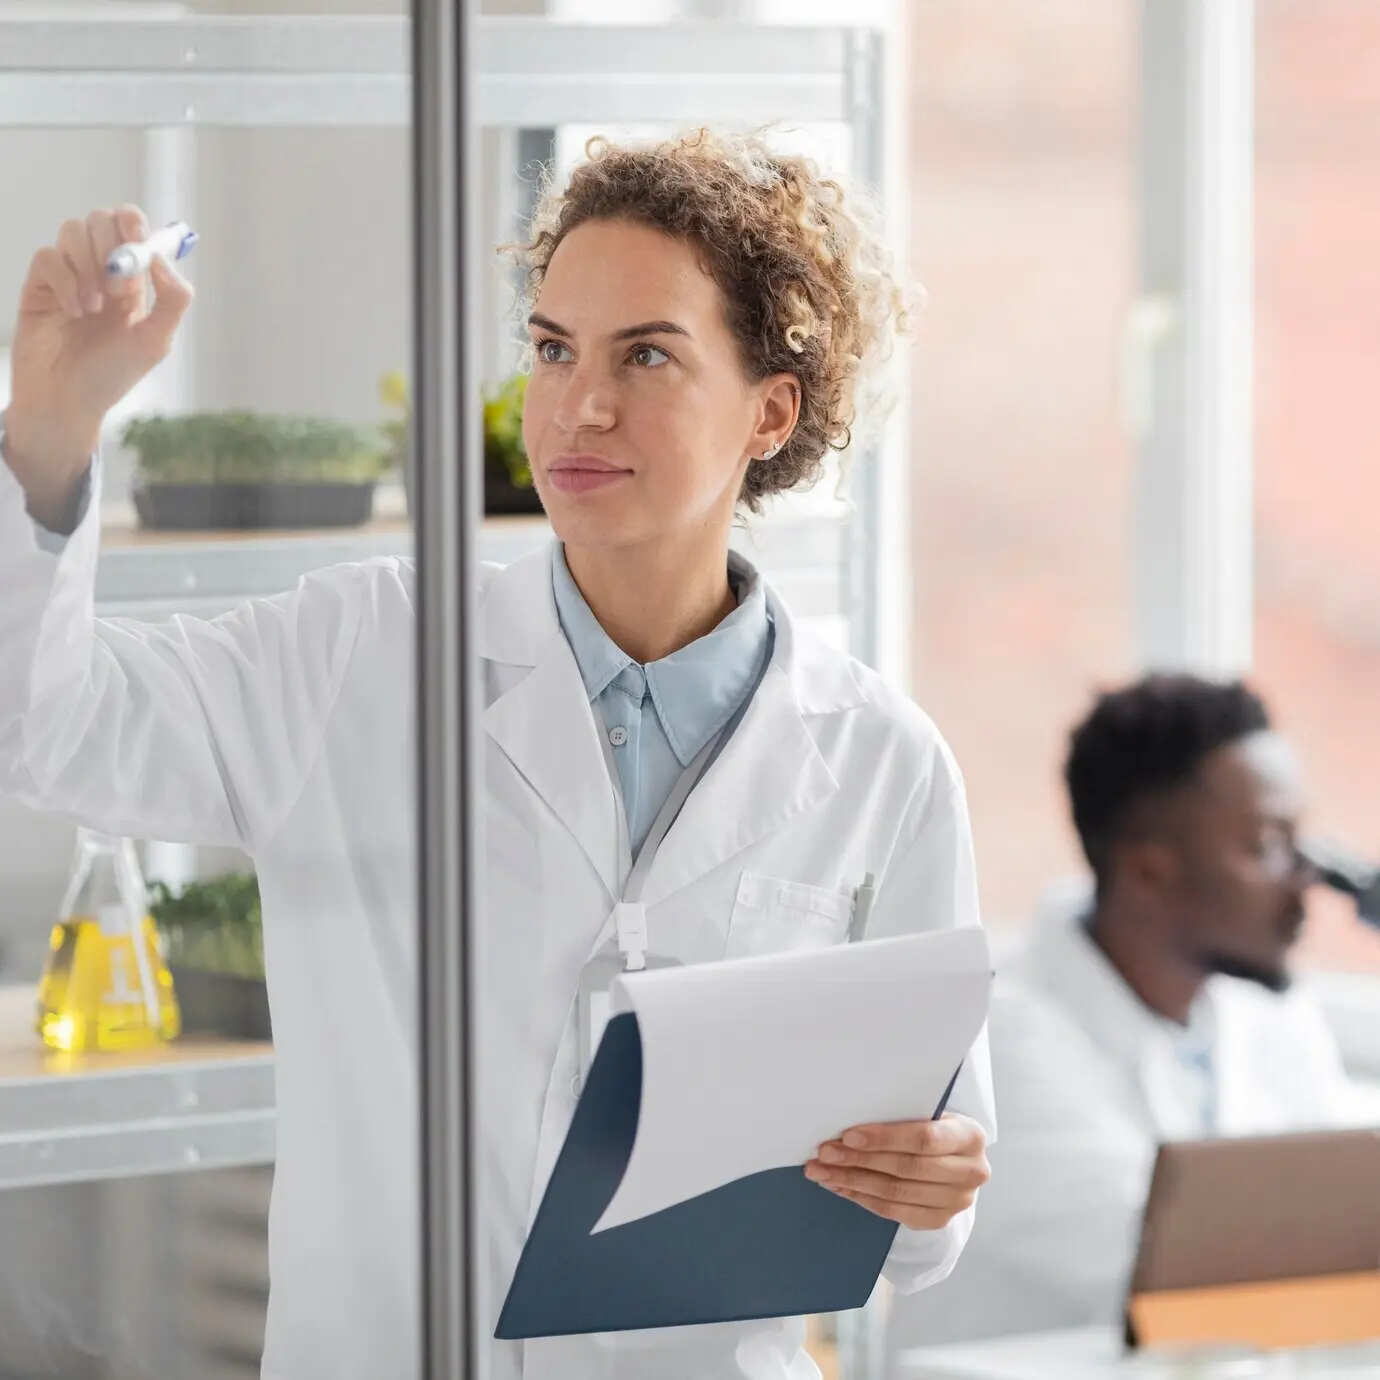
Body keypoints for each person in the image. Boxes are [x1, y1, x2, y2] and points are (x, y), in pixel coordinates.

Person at [0, 128, 994, 1380]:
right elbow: (45, 724)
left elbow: (924, 1217)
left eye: (647, 354)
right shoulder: (359, 656)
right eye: (552, 347)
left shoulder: (884, 768)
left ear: (769, 411)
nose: (580, 403)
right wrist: (52, 426)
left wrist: (933, 1182)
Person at [885, 674, 1373, 1371]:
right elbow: (1192, 1279)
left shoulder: (1265, 1016)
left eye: (1306, 844)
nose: (1307, 883)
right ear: (1147, 872)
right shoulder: (1002, 1042)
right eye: (1268, 846)